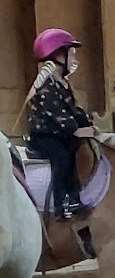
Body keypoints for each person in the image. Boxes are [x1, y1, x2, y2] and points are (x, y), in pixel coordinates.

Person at [24, 28, 96, 219]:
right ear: (58, 56)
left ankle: (75, 193)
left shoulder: (63, 84)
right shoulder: (45, 86)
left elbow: (74, 110)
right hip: (44, 136)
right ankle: (60, 201)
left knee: (78, 149)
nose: (74, 59)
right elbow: (57, 115)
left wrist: (88, 124)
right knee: (62, 156)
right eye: (71, 53)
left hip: (60, 134)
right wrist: (77, 130)